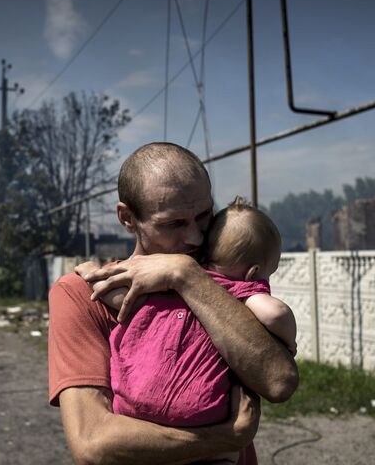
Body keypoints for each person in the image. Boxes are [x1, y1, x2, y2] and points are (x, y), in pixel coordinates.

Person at [48, 142, 299, 464]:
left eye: (204, 216)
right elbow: (94, 445)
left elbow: (279, 382)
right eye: (174, 224)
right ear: (127, 217)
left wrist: (185, 275)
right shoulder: (82, 293)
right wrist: (223, 438)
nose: (195, 237)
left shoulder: (217, 283)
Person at [87, 196, 296, 462]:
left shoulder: (170, 283)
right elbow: (275, 313)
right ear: (254, 272)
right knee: (226, 455)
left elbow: (122, 298)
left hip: (133, 406)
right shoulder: (244, 291)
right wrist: (289, 340)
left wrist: (91, 273)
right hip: (199, 411)